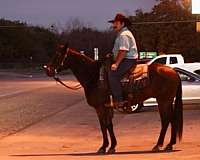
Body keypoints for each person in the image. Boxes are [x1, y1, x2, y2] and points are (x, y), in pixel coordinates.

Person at [107, 13, 138, 108]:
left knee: (112, 75)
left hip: (128, 60)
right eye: (114, 23)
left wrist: (116, 64)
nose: (114, 25)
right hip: (126, 59)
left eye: (116, 23)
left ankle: (119, 100)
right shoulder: (121, 34)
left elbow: (123, 50)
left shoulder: (124, 35)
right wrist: (111, 54)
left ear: (122, 24)